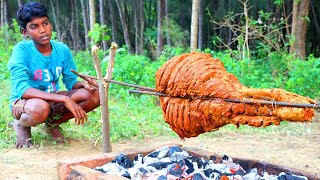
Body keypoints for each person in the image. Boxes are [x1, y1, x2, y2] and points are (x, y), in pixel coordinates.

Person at [8, 2, 100, 148]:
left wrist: (82, 84)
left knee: (95, 94)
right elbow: (23, 89)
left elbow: (70, 82)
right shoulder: (22, 50)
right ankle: (22, 125)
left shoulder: (62, 49)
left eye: (45, 23)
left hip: (53, 99)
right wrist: (64, 99)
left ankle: (52, 124)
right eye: (34, 26)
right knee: (40, 108)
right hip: (26, 103)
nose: (43, 30)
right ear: (25, 32)